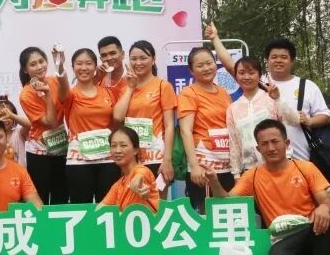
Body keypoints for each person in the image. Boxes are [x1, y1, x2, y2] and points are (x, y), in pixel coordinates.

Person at [206, 119, 330, 255]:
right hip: (281, 238)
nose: (271, 148)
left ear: (287, 143)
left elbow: (326, 202)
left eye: (275, 141)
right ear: (258, 149)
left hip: (309, 230)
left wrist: (324, 208)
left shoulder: (306, 168)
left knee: (327, 225)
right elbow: (226, 201)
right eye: (264, 144)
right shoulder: (252, 176)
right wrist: (214, 182)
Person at [204, 25, 299, 178]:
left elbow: (293, 120)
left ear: (259, 75)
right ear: (236, 76)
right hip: (250, 172)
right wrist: (236, 175)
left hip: (280, 167)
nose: (246, 77)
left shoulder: (271, 98)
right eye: (241, 73)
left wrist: (278, 99)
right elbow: (234, 143)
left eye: (251, 72)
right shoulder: (233, 108)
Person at [51, 47, 120, 203]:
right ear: (73, 67)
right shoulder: (70, 94)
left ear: (95, 67)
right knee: (81, 207)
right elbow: (62, 84)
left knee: (108, 207)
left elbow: (117, 121)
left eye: (88, 63)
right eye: (79, 64)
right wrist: (59, 64)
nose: (84, 68)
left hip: (107, 159)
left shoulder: (108, 92)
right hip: (79, 159)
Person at [113, 40, 176, 196]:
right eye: (134, 59)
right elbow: (118, 117)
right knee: (132, 202)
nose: (138, 63)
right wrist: (131, 87)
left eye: (143, 58)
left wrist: (167, 159)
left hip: (157, 156)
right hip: (131, 158)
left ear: (153, 60)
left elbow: (169, 126)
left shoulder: (163, 86)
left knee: (158, 202)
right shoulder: (124, 86)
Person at [177, 47, 233, 213]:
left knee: (228, 210)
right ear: (191, 70)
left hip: (227, 164)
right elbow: (185, 131)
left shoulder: (224, 93)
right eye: (200, 65)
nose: (206, 68)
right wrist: (194, 166)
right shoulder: (189, 93)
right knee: (207, 213)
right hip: (204, 164)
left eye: (209, 63)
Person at [264, 38, 330, 160]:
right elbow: (234, 69)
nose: (278, 60)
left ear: (292, 61)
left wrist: (309, 121)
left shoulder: (307, 86)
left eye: (284, 57)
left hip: (302, 160)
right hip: (264, 162)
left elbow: (325, 115)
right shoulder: (258, 85)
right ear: (267, 60)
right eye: (274, 57)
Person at [18, 46, 68, 204]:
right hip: (39, 152)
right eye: (33, 64)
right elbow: (51, 122)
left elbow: (67, 95)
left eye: (41, 61)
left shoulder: (53, 80)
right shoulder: (26, 94)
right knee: (41, 199)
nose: (39, 66)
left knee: (61, 197)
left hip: (61, 147)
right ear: (25, 70)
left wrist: (59, 64)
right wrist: (47, 94)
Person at [98, 126, 159, 213]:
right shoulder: (117, 185)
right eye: (113, 146)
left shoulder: (143, 170)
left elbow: (139, 176)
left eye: (123, 145)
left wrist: (139, 186)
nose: (118, 150)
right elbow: (99, 210)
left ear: (136, 150)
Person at [0, 99, 30, 166]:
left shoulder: (18, 133)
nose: (4, 119)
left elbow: (29, 125)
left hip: (18, 172)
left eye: (8, 115)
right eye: (0, 116)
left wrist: (12, 115)